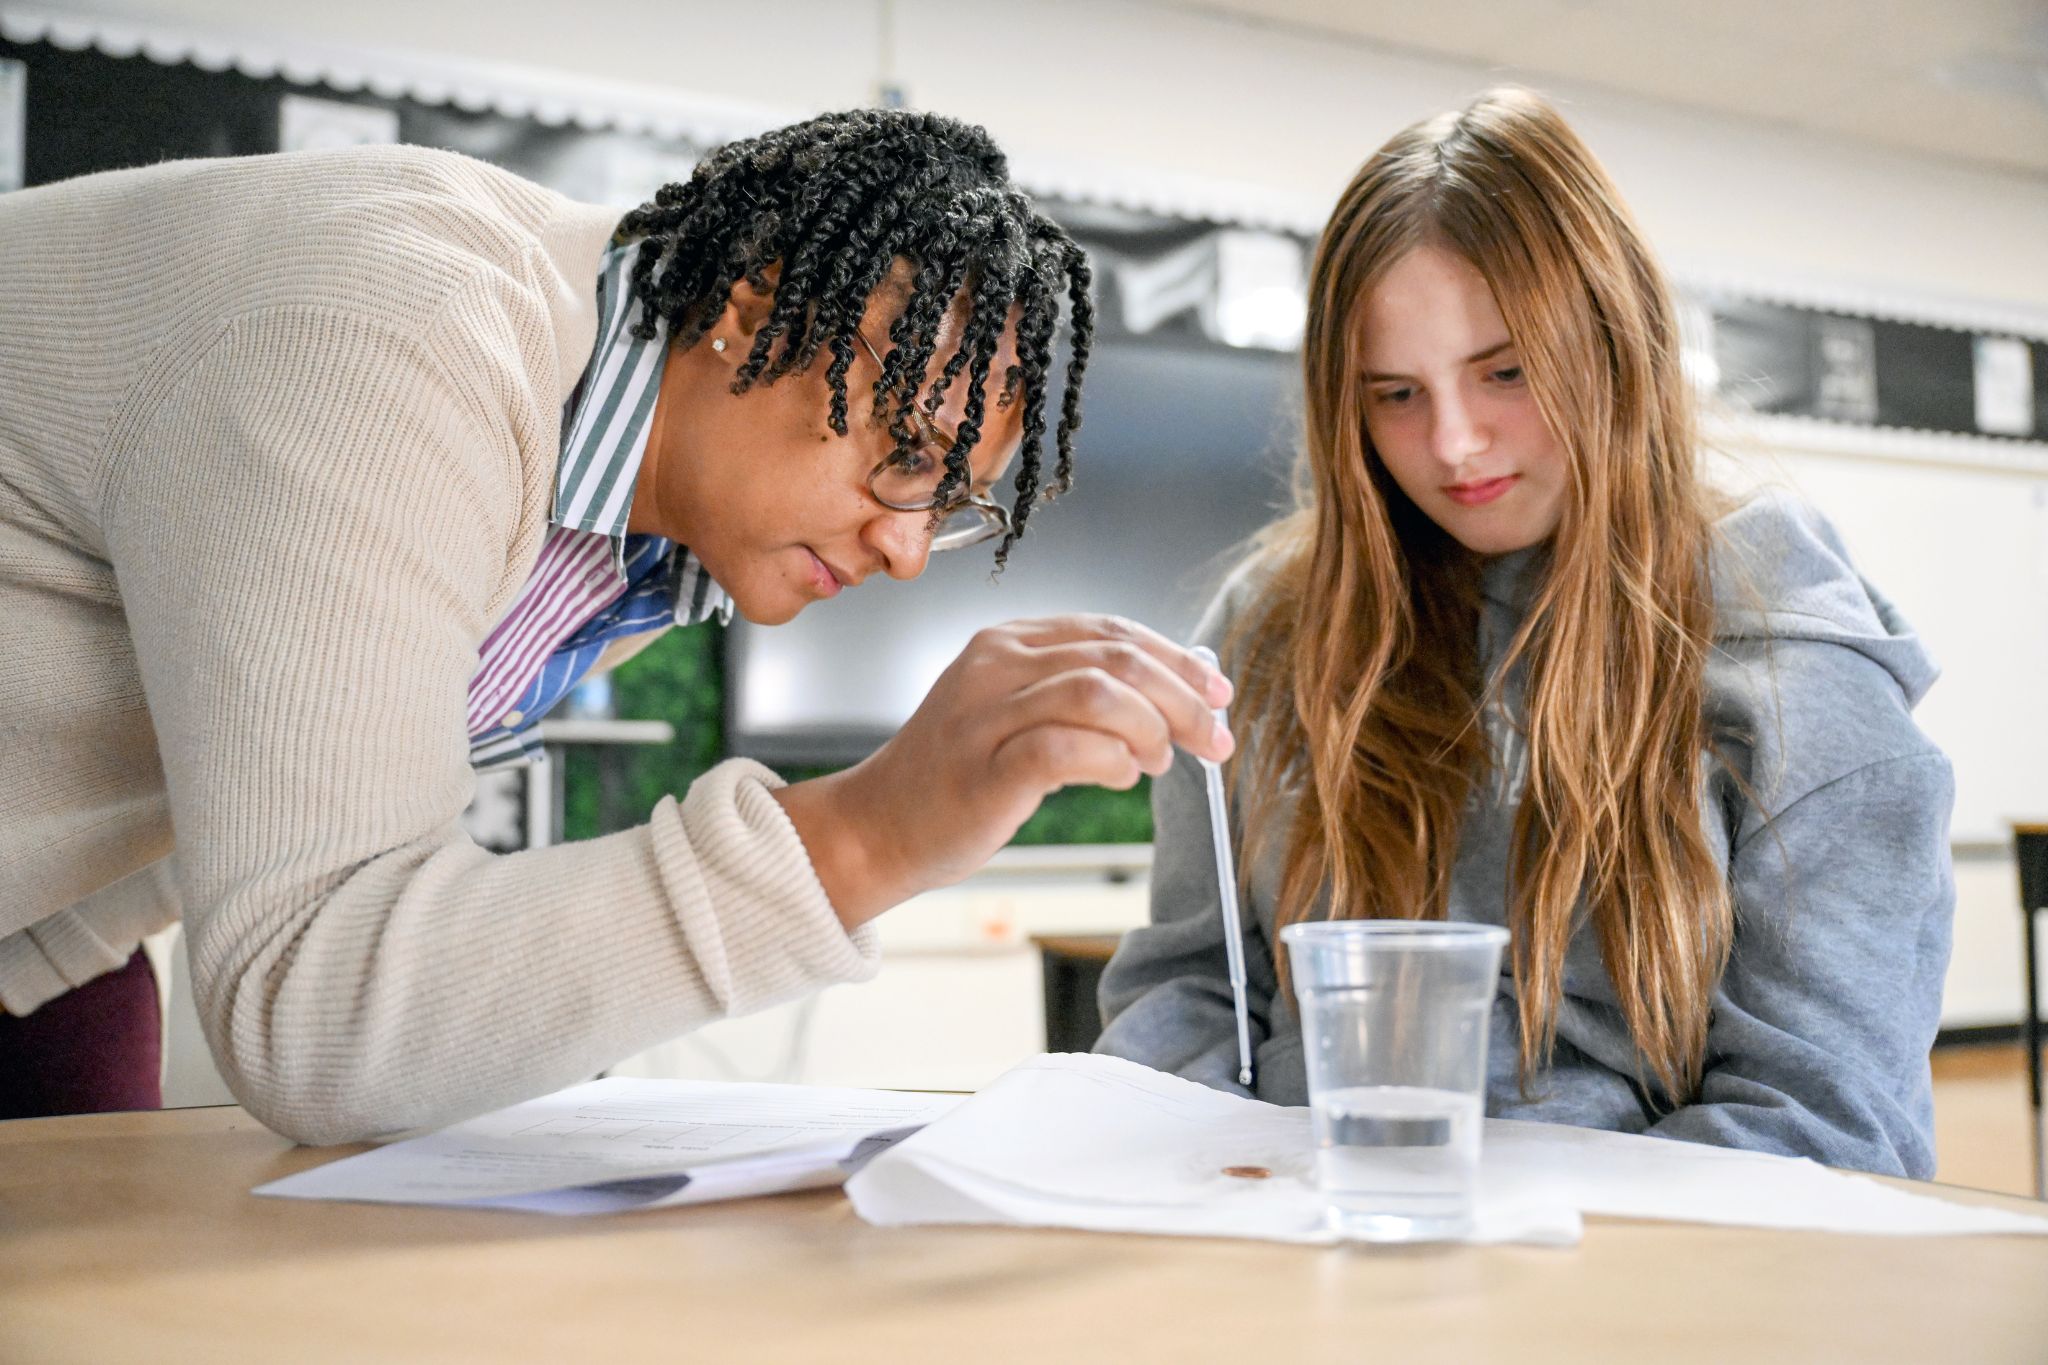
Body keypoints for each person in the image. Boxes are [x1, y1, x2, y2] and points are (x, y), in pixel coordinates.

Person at [0, 109, 1235, 1141]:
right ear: (751, 313)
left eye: (946, 500)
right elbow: (313, 1009)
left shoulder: (647, 528)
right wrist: (864, 835)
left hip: (42, 946)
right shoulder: (398, 343)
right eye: (902, 453)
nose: (908, 548)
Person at [1095, 88, 1954, 1179]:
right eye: (1394, 394)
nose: (1453, 445)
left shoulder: (1792, 664)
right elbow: (1187, 985)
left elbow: (1826, 1124)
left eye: (1504, 372)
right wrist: (1219, 1184)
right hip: (1301, 1254)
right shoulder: (1268, 633)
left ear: (1614, 340)